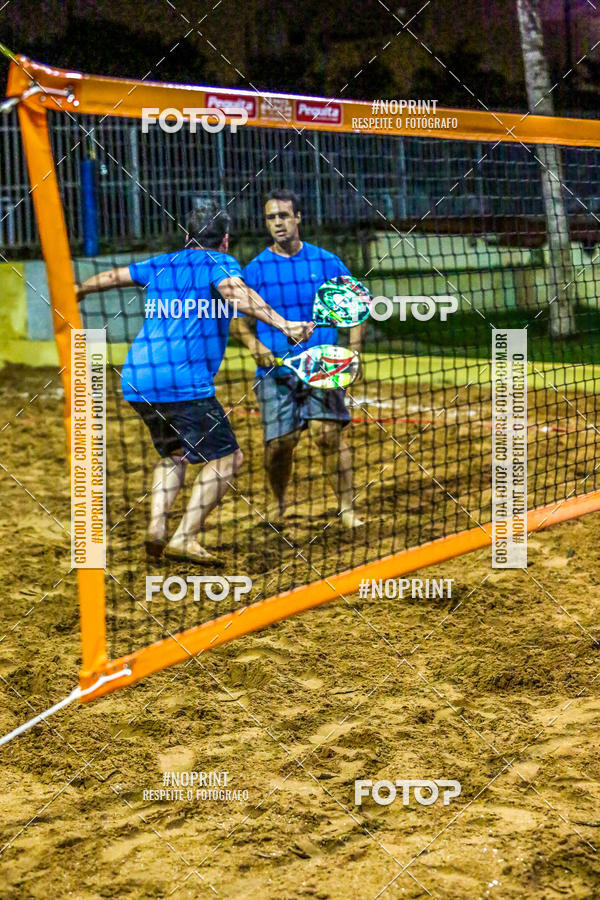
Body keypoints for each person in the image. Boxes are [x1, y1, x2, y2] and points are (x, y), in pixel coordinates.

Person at [76, 199, 313, 563]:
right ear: (225, 239)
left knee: (175, 455)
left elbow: (110, 278)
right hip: (182, 383)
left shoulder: (162, 262)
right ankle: (184, 538)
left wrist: (78, 289)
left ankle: (157, 526)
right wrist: (285, 325)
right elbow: (235, 292)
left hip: (137, 379)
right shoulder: (220, 262)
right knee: (228, 459)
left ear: (187, 236)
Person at [232, 189, 364, 528]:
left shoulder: (325, 261)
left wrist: (355, 353)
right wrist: (253, 345)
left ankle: (347, 508)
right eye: (271, 218)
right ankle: (278, 504)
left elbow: (356, 309)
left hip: (324, 366)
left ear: (298, 218)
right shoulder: (255, 269)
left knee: (328, 435)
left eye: (284, 216)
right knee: (280, 444)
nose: (278, 223)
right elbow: (238, 321)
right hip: (275, 371)